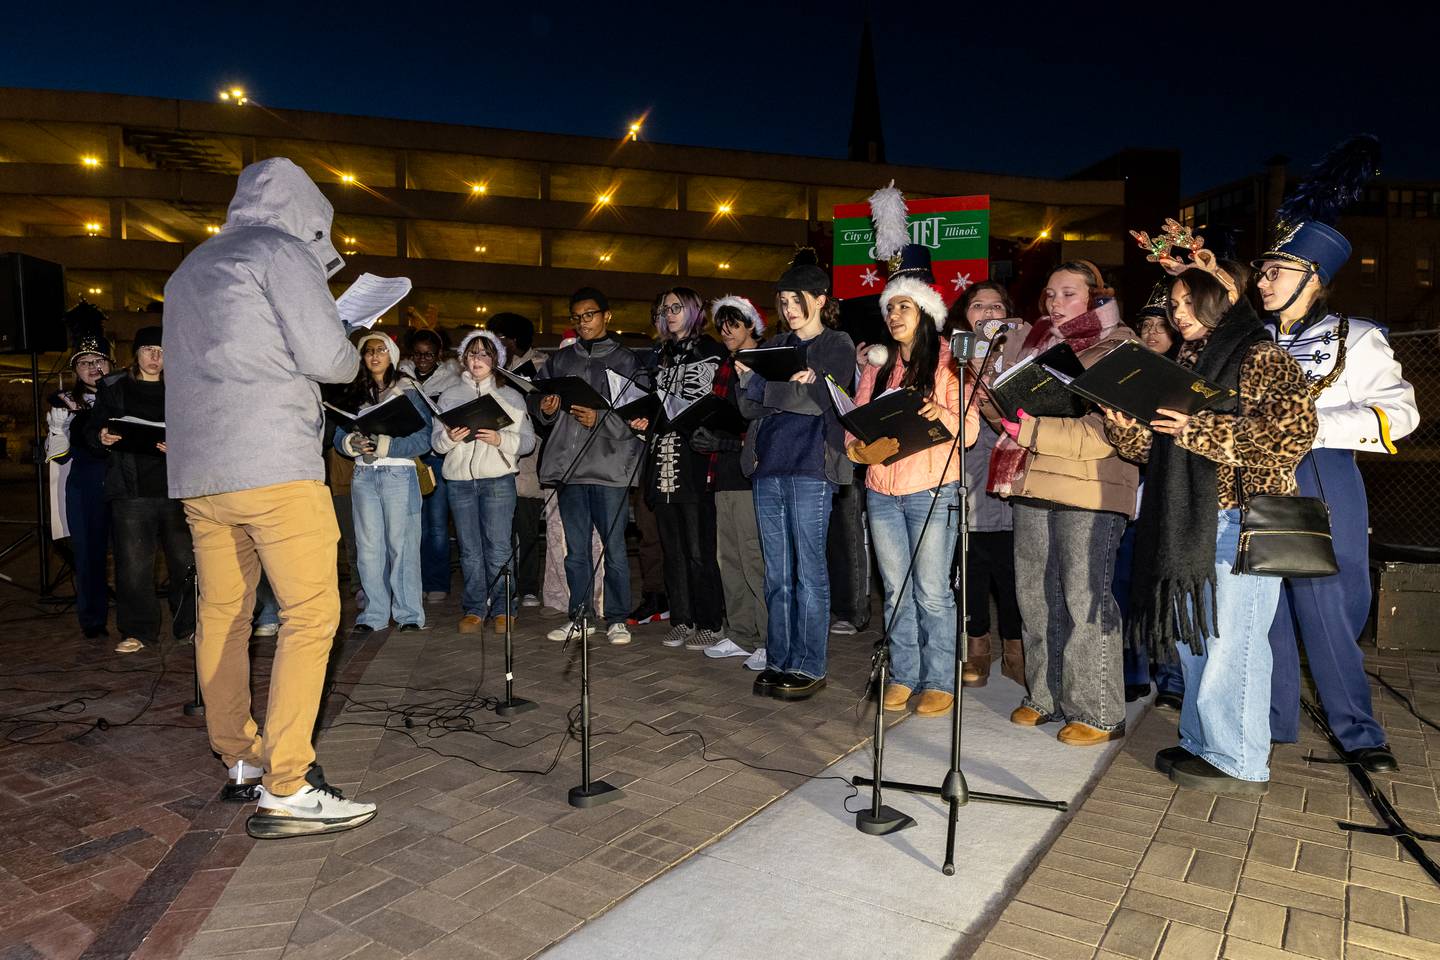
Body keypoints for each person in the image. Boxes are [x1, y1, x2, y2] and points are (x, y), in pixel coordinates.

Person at [166, 157, 373, 836]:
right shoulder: (282, 251)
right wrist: (345, 330)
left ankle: (240, 757)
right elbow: (331, 362)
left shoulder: (190, 267)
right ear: (308, 212)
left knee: (223, 616)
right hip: (274, 466)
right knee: (311, 615)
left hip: (202, 474)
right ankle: (288, 784)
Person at [1106, 264, 1316, 794]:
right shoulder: (1186, 361)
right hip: (1192, 519)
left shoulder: (1260, 354)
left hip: (1242, 518)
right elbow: (1159, 452)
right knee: (1199, 639)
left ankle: (1240, 759)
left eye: (1186, 302)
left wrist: (1198, 428)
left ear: (1219, 300)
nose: (1177, 313)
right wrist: (1123, 424)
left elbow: (1294, 432)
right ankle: (1205, 742)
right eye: (1172, 304)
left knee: (1235, 644)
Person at [1254, 137, 1419, 773]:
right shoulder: (1249, 339)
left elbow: (1400, 412)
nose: (1262, 281)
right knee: (1263, 603)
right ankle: (1273, 721)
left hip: (1324, 473)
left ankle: (1357, 729)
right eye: (1263, 271)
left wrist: (1308, 424)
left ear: (1313, 277)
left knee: (1328, 603)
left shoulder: (1358, 336)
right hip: (1256, 477)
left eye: (1276, 271)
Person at [989, 261, 1139, 745]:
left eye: (1068, 293)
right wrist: (985, 383)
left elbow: (1102, 435)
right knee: (1035, 595)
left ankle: (1098, 711)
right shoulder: (1036, 348)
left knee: (1083, 599)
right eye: (1050, 294)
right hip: (1034, 482)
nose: (1055, 303)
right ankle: (1045, 696)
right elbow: (1009, 420)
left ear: (1097, 298)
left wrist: (1027, 429)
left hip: (1089, 489)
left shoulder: (1119, 347)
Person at [849, 246, 980, 716]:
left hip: (931, 490)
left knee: (931, 591)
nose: (893, 314)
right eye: (889, 307)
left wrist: (939, 412)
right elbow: (856, 423)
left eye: (903, 305)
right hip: (882, 493)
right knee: (896, 588)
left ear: (925, 309)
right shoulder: (876, 364)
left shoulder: (948, 360)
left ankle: (939, 680)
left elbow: (971, 429)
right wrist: (858, 449)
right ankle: (903, 674)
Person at [737, 250, 855, 701]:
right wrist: (761, 383)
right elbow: (747, 407)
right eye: (782, 300)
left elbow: (817, 402)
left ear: (820, 299)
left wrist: (769, 387)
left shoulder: (837, 345)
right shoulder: (771, 347)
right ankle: (780, 659)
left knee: (809, 570)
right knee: (777, 573)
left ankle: (810, 665)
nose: (787, 308)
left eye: (795, 299)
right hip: (768, 466)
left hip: (811, 468)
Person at [535, 287, 643, 646]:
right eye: (577, 317)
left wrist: (600, 417)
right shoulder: (561, 361)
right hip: (569, 467)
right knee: (576, 550)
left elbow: (638, 415)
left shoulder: (627, 360)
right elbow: (540, 403)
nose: (583, 323)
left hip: (610, 466)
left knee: (614, 548)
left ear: (606, 316)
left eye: (590, 315)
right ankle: (580, 616)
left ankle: (617, 618)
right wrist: (546, 410)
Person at [629, 287, 727, 651]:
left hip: (694, 459)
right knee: (671, 546)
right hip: (661, 459)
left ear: (694, 310)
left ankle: (709, 620)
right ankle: (682, 617)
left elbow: (717, 406)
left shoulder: (713, 351)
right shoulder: (660, 355)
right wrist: (643, 420)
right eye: (664, 308)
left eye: (676, 307)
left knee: (698, 546)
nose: (669, 314)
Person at [88, 326, 196, 655]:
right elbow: (94, 427)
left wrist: (182, 445)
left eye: (162, 350)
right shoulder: (114, 386)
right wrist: (101, 437)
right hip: (131, 488)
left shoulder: (184, 386)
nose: (155, 357)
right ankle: (138, 630)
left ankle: (189, 626)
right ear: (136, 352)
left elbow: (201, 431)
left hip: (176, 487)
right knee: (133, 565)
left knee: (185, 562)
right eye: (148, 349)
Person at [948, 281, 1026, 687]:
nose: (989, 314)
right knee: (971, 572)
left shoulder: (1023, 352)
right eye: (979, 306)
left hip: (1013, 484)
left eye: (998, 306)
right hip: (968, 483)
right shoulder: (952, 356)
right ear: (966, 314)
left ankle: (1017, 651)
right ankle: (977, 650)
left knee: (1013, 575)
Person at [432, 330, 534, 633]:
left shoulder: (511, 396)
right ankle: (475, 607)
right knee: (469, 549)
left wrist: (500, 438)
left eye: (485, 353)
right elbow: (435, 443)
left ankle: (504, 608)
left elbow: (527, 442)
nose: (477, 359)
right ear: (463, 358)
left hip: (498, 481)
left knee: (499, 547)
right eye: (472, 353)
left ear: (496, 360)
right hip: (460, 482)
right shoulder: (450, 396)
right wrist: (449, 439)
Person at [334, 332, 434, 633]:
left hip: (398, 474)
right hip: (364, 475)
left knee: (402, 547)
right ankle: (374, 614)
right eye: (368, 352)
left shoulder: (408, 390)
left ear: (391, 354)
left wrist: (388, 445)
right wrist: (352, 443)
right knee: (368, 548)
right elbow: (339, 436)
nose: (374, 356)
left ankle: (408, 615)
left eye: (380, 350)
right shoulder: (354, 394)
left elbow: (424, 438)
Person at [1115, 288, 1186, 709]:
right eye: (1146, 325)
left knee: (1169, 592)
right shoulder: (1130, 374)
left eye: (1162, 325)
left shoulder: (1186, 374)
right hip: (1133, 495)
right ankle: (1132, 670)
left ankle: (1171, 675)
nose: (1152, 332)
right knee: (1126, 585)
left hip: (1170, 496)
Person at [696, 295, 769, 668]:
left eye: (735, 324)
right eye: (722, 325)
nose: (726, 332)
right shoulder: (726, 365)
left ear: (752, 325)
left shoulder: (762, 363)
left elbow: (765, 422)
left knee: (754, 556)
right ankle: (741, 633)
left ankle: (767, 637)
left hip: (750, 473)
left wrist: (726, 440)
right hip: (723, 472)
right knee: (730, 559)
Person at [46, 303, 113, 640]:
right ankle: (93, 620)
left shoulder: (123, 397)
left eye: (99, 360)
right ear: (76, 368)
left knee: (133, 557)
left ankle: (135, 624)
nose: (93, 367)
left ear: (110, 364)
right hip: (85, 486)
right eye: (85, 363)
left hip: (123, 484)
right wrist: (59, 428)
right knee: (88, 556)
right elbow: (57, 457)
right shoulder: (63, 403)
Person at [486, 312, 545, 607]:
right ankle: (500, 587)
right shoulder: (491, 370)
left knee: (528, 527)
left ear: (514, 340)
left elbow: (545, 413)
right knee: (499, 531)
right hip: (495, 459)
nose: (494, 344)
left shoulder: (540, 366)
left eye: (499, 338)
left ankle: (529, 587)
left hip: (528, 462)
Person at [399, 328, 461, 603]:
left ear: (438, 355)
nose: (423, 359)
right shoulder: (400, 378)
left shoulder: (451, 381)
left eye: (429, 354)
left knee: (437, 526)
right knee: (413, 526)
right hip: (410, 458)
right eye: (418, 354)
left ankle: (437, 581)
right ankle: (416, 582)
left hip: (436, 458)